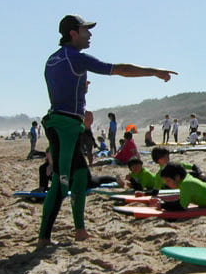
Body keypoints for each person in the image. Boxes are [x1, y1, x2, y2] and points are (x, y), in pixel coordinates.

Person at [38, 14, 175, 248]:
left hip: (60, 122)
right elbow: (120, 69)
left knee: (81, 176)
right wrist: (154, 71)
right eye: (85, 30)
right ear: (73, 33)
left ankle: (80, 231)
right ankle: (43, 239)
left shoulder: (53, 60)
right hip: (65, 127)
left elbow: (60, 91)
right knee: (61, 183)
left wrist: (80, 90)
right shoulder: (75, 58)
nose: (89, 35)